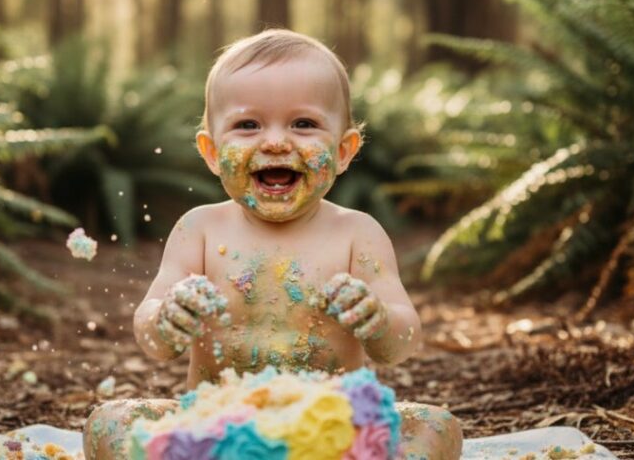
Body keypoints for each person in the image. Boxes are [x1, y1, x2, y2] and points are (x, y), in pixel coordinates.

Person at [84, 30, 462, 459]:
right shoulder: (200, 230)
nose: (276, 141)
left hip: (329, 434)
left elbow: (401, 343)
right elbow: (153, 340)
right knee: (110, 422)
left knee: (435, 425)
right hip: (216, 432)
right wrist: (168, 317)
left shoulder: (358, 233)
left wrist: (375, 319)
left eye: (304, 124)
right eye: (248, 125)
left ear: (343, 151)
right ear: (211, 152)